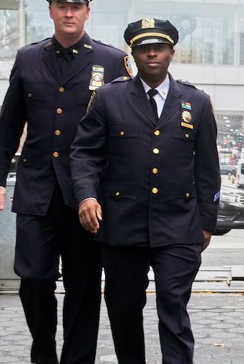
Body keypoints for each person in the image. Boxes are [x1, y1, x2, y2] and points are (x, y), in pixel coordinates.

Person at [0, 0, 129, 363]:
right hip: (36, 189)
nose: (69, 12)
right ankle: (43, 350)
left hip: (87, 194)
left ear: (87, 12)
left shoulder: (111, 60)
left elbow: (124, 126)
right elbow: (10, 122)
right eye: (61, 6)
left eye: (76, 6)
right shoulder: (28, 58)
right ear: (50, 10)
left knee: (83, 285)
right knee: (33, 278)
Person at [70, 18, 220, 363]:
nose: (152, 54)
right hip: (122, 224)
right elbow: (84, 154)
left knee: (173, 300)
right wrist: (86, 196)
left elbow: (208, 169)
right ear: (133, 54)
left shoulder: (196, 102)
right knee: (123, 307)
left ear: (171, 52)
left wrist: (206, 222)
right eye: (143, 48)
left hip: (179, 224)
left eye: (159, 47)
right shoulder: (109, 98)